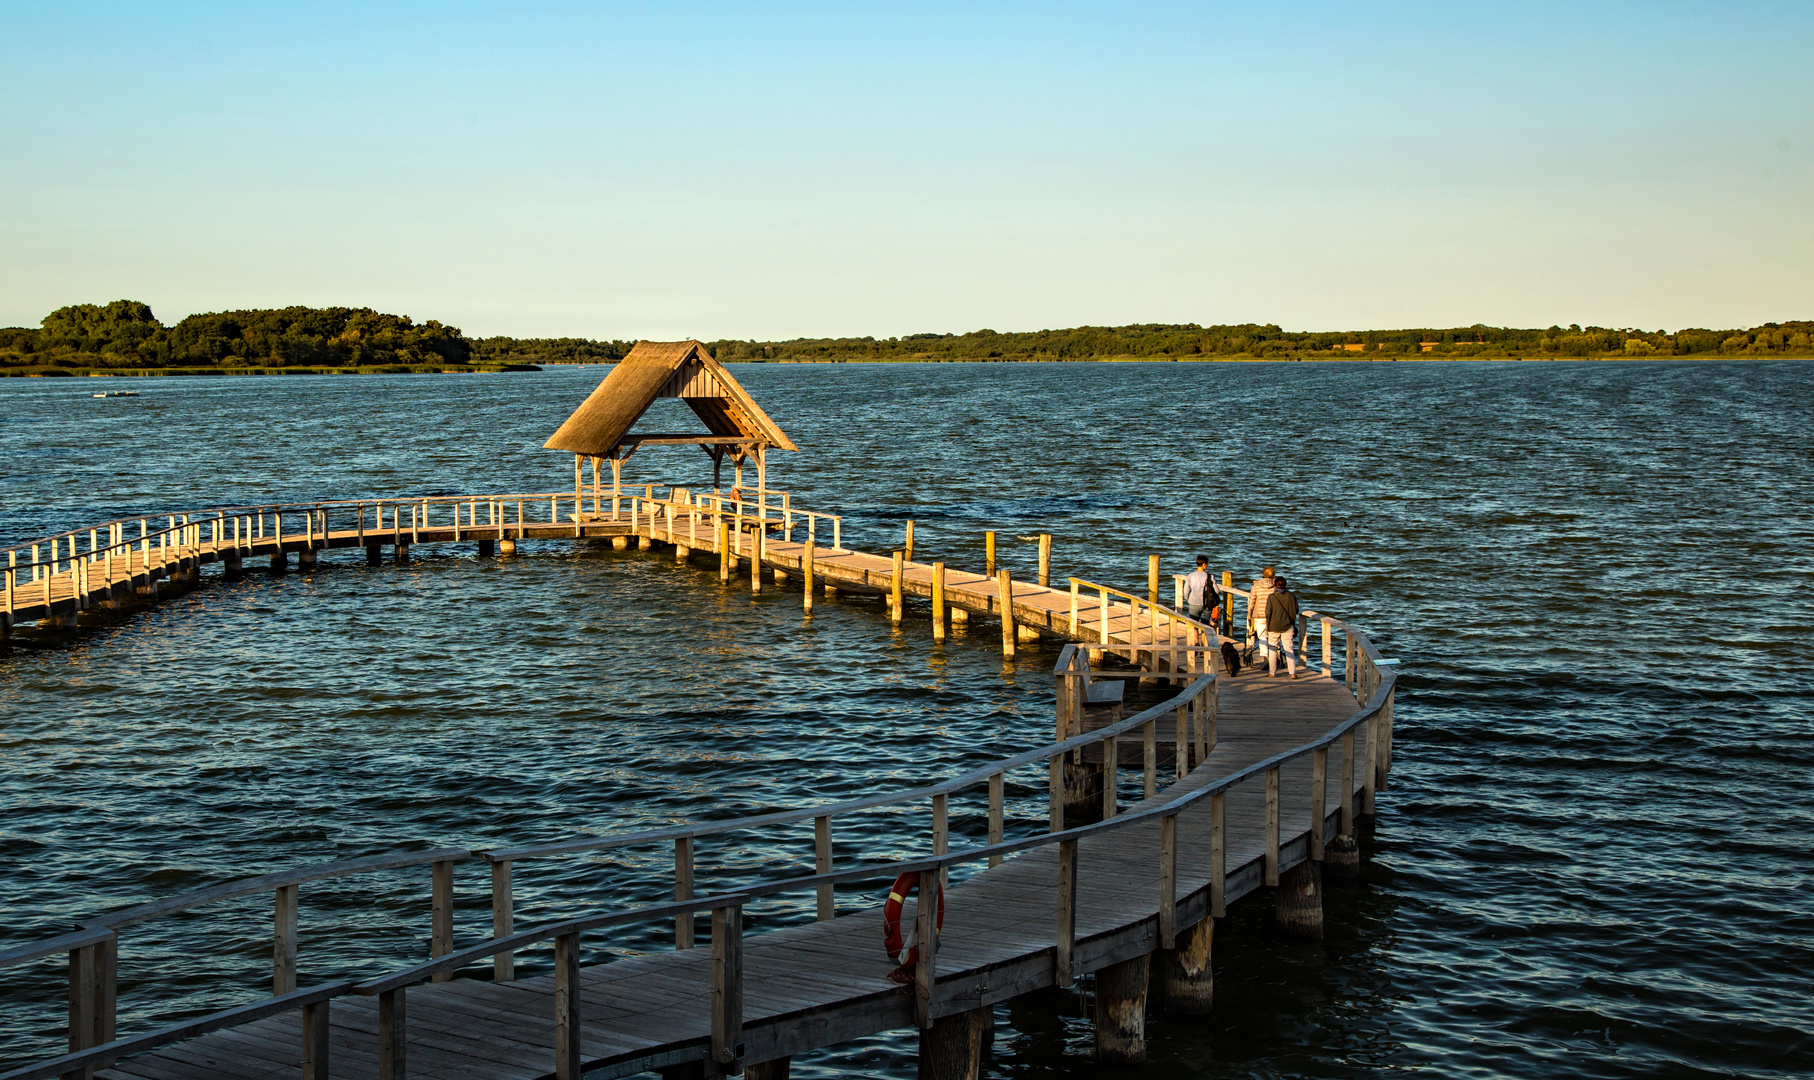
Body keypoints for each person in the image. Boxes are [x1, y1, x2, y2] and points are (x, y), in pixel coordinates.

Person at [1265, 576, 1301, 679]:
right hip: (1288, 626)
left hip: (1273, 626)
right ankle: (1293, 673)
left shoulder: (1272, 597)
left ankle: (1272, 672)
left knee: (1272, 649)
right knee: (1289, 648)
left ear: (1275, 585)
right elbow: (1296, 610)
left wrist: (1268, 624)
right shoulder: (1291, 596)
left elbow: (1268, 612)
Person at [1247, 565, 1277, 665]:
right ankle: (1274, 656)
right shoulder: (1276, 586)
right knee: (1273, 637)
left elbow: (1252, 601)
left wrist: (1249, 614)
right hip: (1273, 615)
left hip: (1259, 615)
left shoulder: (1256, 586)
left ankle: (1266, 658)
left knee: (1262, 637)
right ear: (1274, 575)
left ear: (1263, 575)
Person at [1180, 555, 1220, 623]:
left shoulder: (1191, 576)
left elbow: (1186, 591)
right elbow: (1217, 591)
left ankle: (1196, 634)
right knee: (1205, 625)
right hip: (1207, 603)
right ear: (1204, 564)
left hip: (1194, 602)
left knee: (1194, 625)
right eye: (1207, 564)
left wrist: (1187, 599)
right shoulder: (1210, 576)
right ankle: (1203, 634)